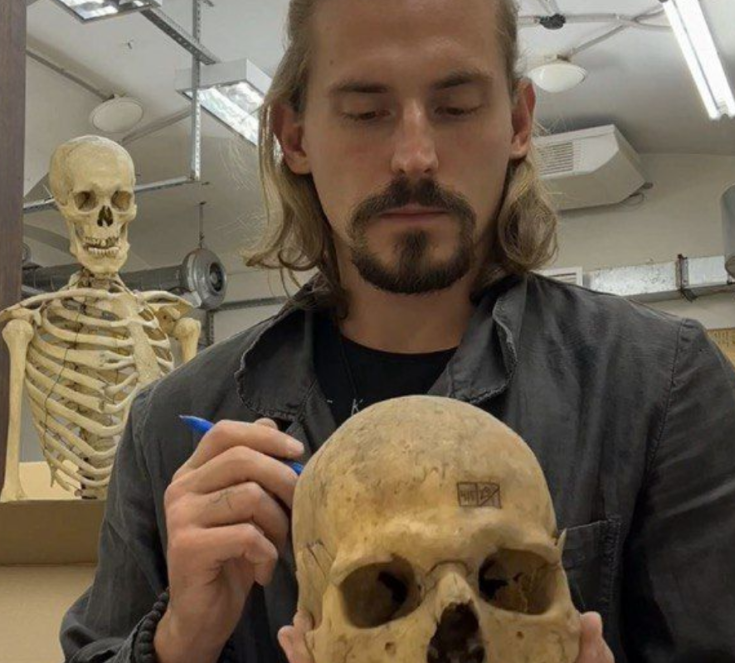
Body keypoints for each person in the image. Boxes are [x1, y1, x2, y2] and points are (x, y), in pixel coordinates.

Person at [59, 0, 735, 661]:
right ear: (295, 137)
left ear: (518, 122)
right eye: (365, 112)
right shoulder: (170, 429)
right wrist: (176, 642)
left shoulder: (661, 388)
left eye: (456, 107)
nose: (415, 156)